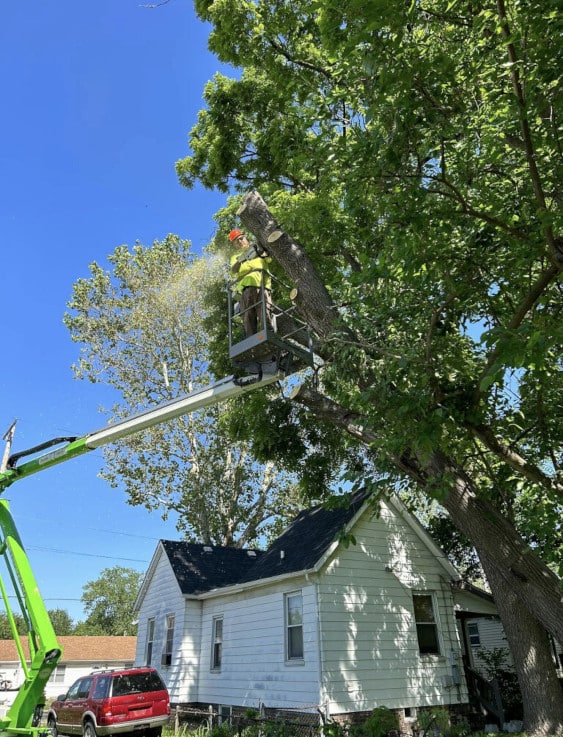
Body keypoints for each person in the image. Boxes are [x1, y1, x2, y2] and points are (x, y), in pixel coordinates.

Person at [229, 229, 273, 337]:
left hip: (263, 287)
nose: (240, 242)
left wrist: (260, 250)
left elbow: (268, 258)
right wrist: (242, 259)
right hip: (245, 290)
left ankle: (271, 340)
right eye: (236, 241)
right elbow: (234, 270)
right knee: (248, 319)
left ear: (246, 238)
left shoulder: (257, 249)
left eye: (241, 239)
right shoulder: (235, 257)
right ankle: (253, 348)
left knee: (266, 315)